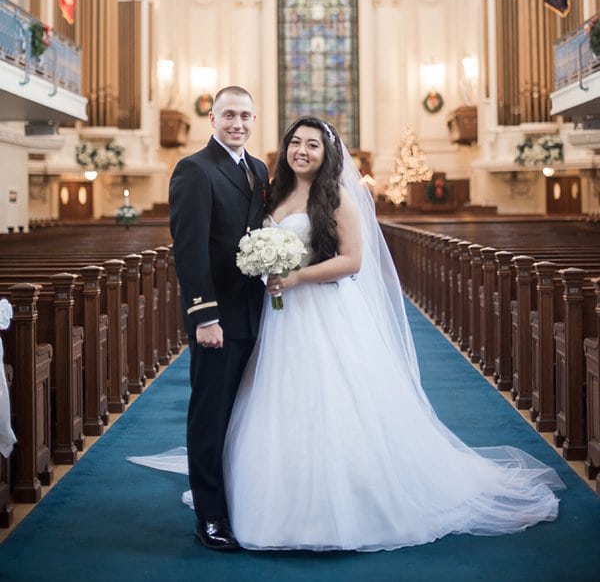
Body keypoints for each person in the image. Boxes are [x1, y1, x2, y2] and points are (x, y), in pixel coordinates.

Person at [131, 114, 564, 552]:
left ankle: (342, 500)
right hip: (277, 318)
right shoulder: (270, 189)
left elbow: (353, 260)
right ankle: (267, 497)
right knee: (274, 400)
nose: (302, 150)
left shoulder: (336, 195)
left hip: (320, 310)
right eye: (295, 142)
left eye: (312, 144)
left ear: (327, 152)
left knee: (331, 401)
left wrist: (298, 277)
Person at [168, 85, 269, 551]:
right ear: (212, 118)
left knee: (245, 414)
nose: (238, 123)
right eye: (229, 114)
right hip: (218, 320)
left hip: (259, 315)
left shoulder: (259, 169)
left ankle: (241, 499)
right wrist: (204, 317)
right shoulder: (194, 170)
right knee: (210, 416)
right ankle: (210, 517)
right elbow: (189, 254)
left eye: (246, 116)